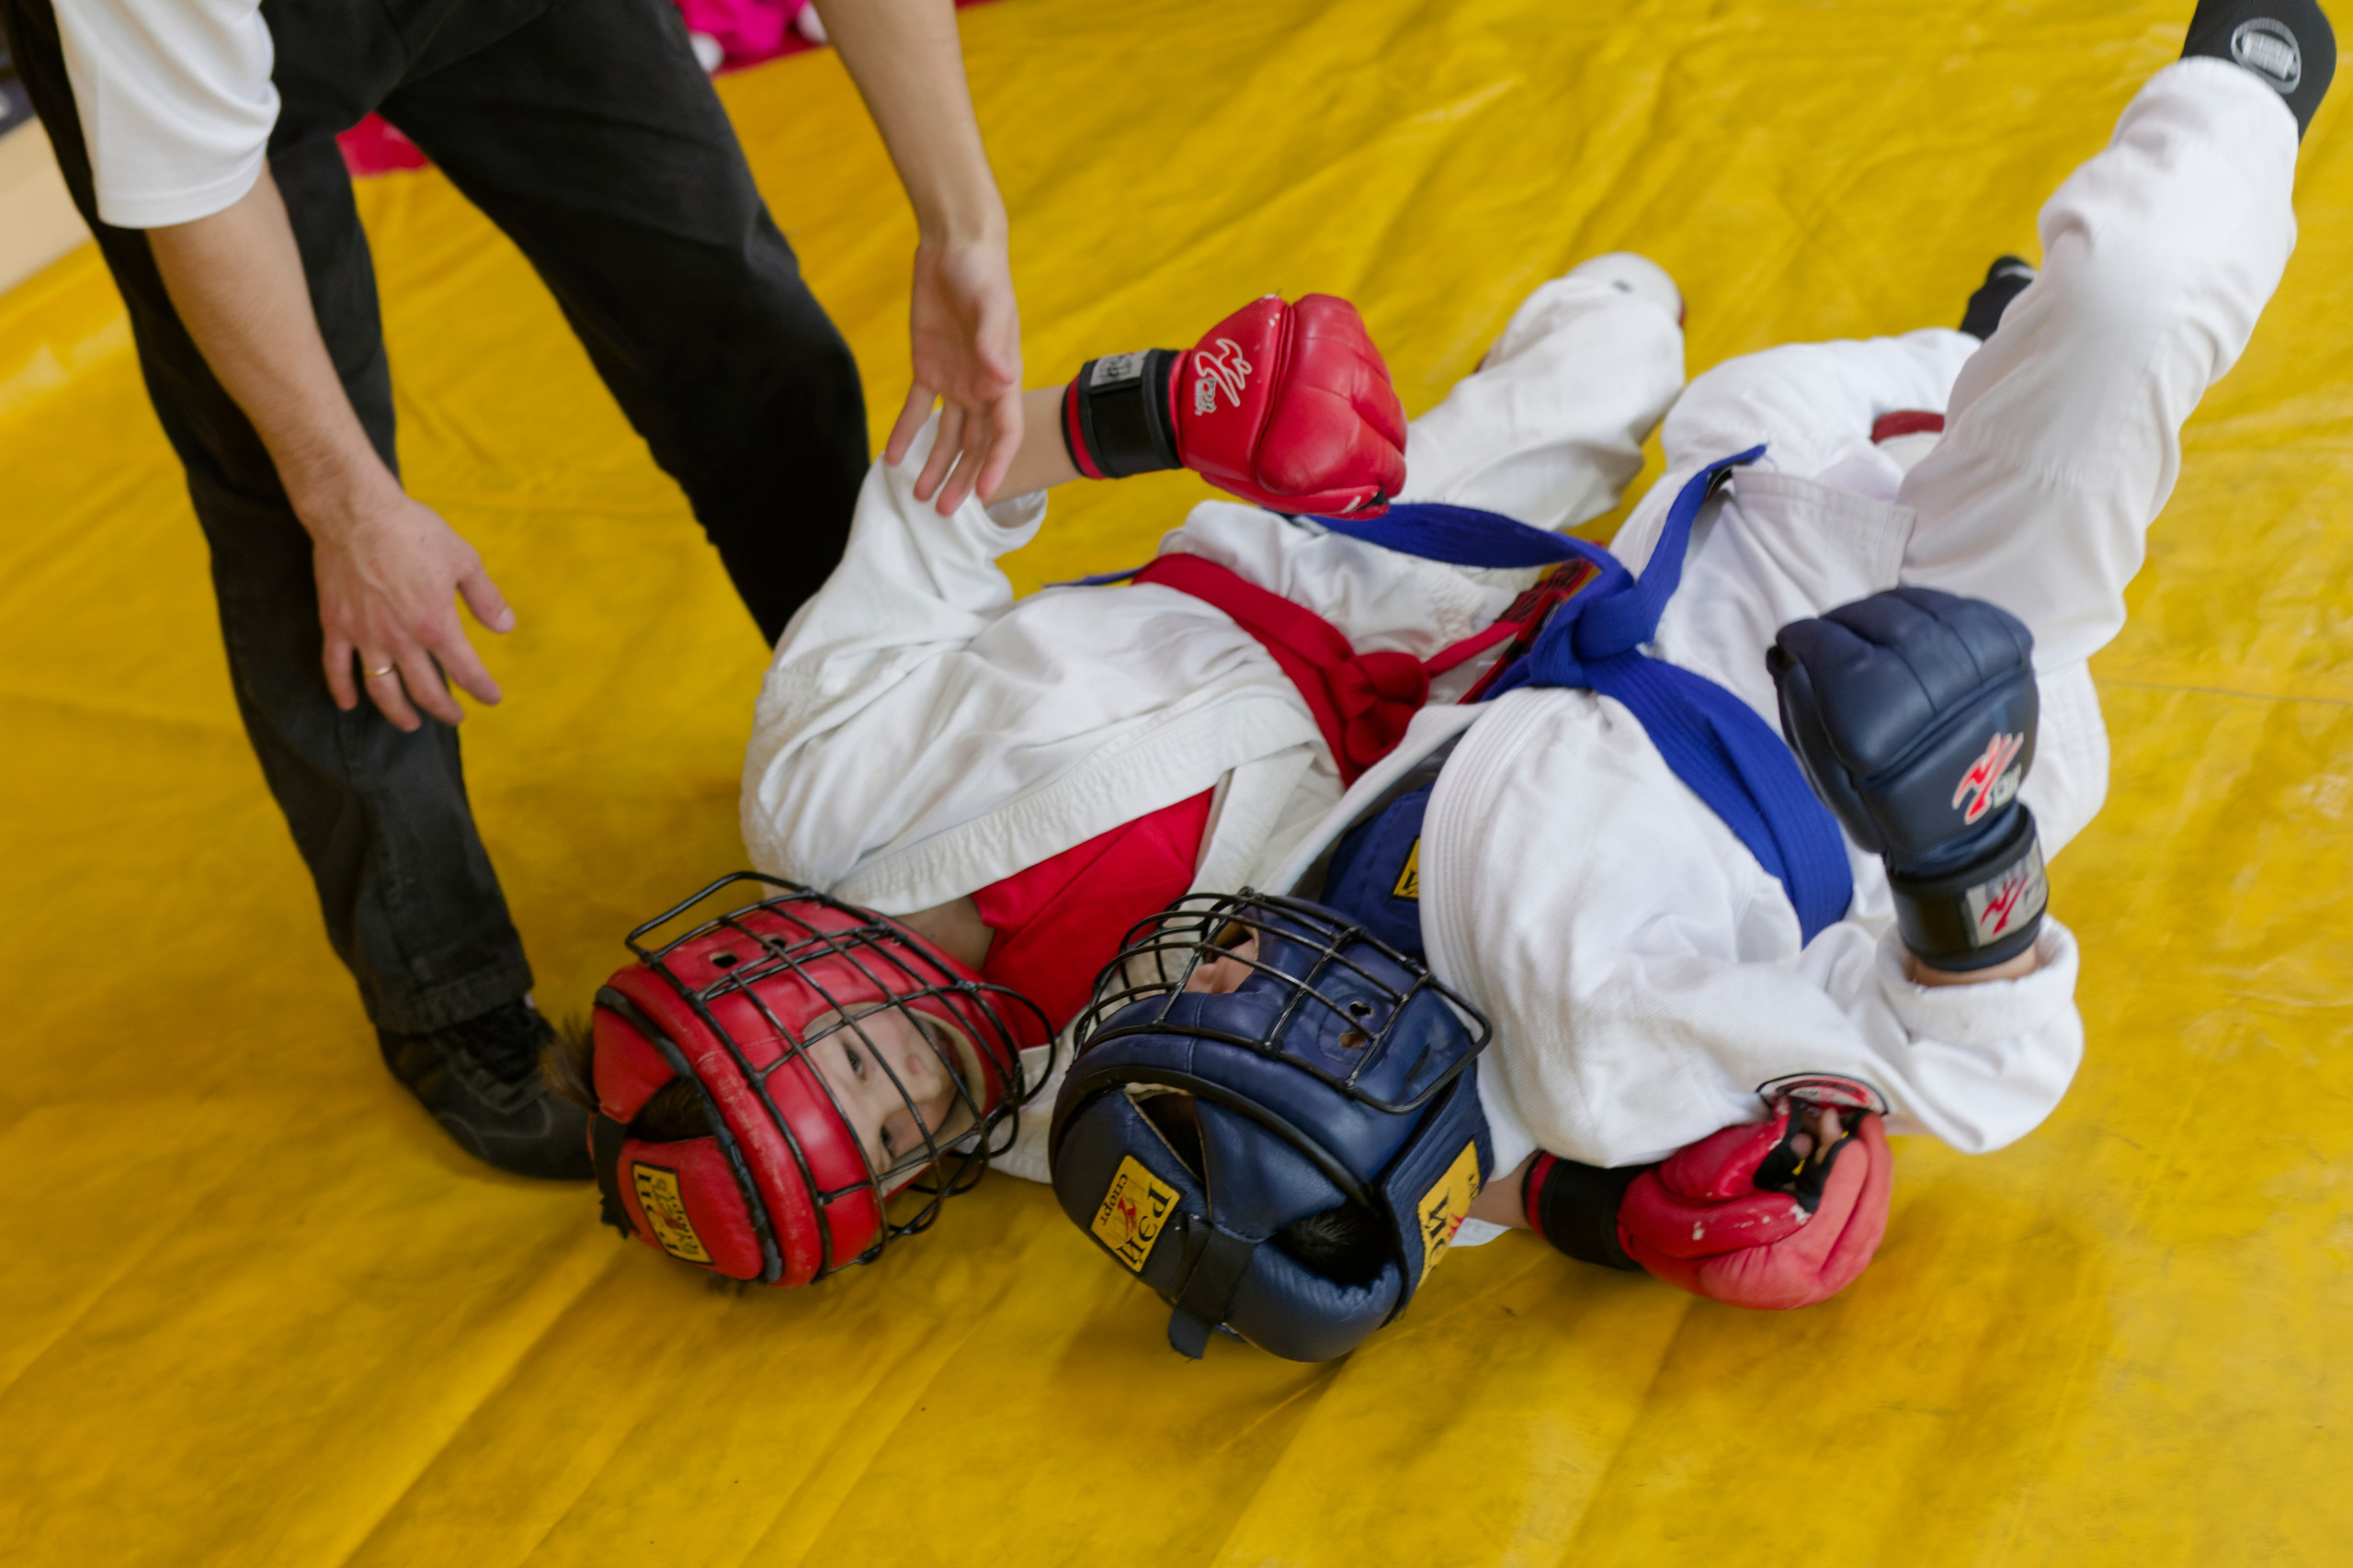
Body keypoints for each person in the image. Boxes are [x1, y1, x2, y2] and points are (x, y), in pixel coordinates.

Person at [1047, 0, 2335, 1355]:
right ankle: (2254, 83)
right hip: (1907, 669)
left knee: (1787, 390)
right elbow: (1979, 1067)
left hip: (1724, 503)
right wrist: (1963, 855)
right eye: (1236, 1021)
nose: (1212, 968)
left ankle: (1976, 354)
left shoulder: (1290, 891)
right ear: (1363, 1093)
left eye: (1184, 1004)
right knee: (2129, 299)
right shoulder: (1597, 1063)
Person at [0, 0, 1026, 1176]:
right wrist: (348, 504)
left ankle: (919, 761)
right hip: (215, 64)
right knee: (303, 517)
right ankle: (447, 994)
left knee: (747, 339)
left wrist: (962, 223)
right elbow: (198, 192)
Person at [542, 266, 1689, 1279]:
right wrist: (1597, 1209)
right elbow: (1353, 1136)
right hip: (1458, 759)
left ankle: (1559, 352)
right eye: (892, 1150)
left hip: (1309, 566)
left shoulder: (816, 782)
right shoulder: (1083, 1118)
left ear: (764, 968)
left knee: (1619, 354)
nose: (921, 1096)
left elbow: (935, 503)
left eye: (853, 1060)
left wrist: (1166, 407)